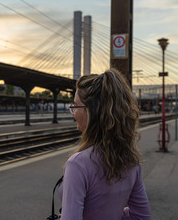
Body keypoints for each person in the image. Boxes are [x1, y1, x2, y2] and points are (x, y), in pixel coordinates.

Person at [58, 68, 151, 220]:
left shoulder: (78, 164)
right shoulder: (130, 160)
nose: (73, 112)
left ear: (92, 112)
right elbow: (142, 216)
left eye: (75, 106)